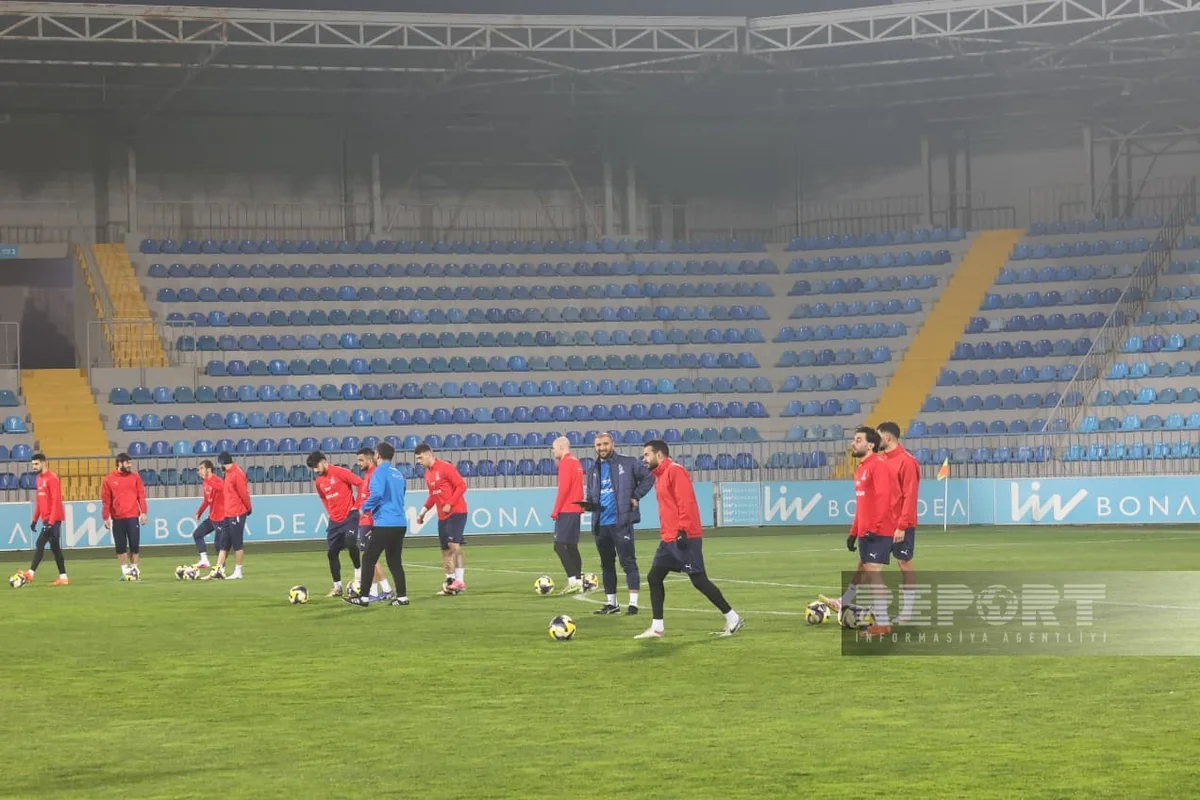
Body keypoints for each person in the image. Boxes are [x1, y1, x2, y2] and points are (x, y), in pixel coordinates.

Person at [634, 440, 744, 639]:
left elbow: (686, 501)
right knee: (654, 577)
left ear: (659, 455)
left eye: (647, 455)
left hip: (683, 535)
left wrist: (683, 530)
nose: (644, 459)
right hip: (668, 538)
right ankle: (657, 627)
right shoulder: (660, 476)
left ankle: (732, 617)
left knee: (699, 580)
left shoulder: (675, 471)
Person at [822, 426, 899, 636]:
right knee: (861, 570)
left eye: (858, 440)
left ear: (871, 445)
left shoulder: (878, 466)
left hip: (879, 531)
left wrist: (874, 528)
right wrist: (854, 532)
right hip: (866, 531)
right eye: (853, 440)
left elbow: (884, 499)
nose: (853, 443)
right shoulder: (861, 469)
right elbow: (862, 505)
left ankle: (883, 624)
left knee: (873, 573)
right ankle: (844, 601)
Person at [582, 432, 654, 616]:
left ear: (612, 444)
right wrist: (588, 505)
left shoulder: (628, 463)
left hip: (621, 522)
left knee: (628, 562)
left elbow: (649, 477)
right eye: (598, 445)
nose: (602, 448)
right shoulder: (592, 470)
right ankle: (611, 604)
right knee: (606, 565)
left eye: (605, 444)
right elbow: (591, 496)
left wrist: (636, 496)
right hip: (601, 525)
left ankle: (633, 604)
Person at [345, 441, 409, 607]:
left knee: (368, 558)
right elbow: (402, 493)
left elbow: (377, 494)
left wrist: (364, 508)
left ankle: (364, 597)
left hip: (385, 522)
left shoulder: (379, 472)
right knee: (394, 561)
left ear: (377, 455)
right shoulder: (397, 473)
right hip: (400, 522)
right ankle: (402, 597)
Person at [308, 450, 367, 598]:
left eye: (316, 467)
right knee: (331, 553)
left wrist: (358, 505)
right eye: (313, 468)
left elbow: (360, 483)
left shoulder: (340, 472)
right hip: (334, 521)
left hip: (349, 516)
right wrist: (330, 511)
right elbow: (323, 498)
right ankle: (337, 587)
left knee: (351, 542)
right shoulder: (319, 482)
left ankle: (358, 577)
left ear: (323, 462)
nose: (315, 470)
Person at [878, 421, 920, 624]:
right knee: (869, 563)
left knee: (904, 563)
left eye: (878, 436)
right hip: (881, 524)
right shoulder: (880, 460)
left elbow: (910, 496)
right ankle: (848, 601)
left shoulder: (907, 462)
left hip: (900, 524)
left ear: (887, 438)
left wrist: (902, 526)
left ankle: (907, 612)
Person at [414, 444, 469, 596]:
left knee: (453, 545)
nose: (418, 461)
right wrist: (422, 513)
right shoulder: (428, 474)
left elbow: (462, 486)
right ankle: (450, 582)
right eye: (417, 459)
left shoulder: (446, 467)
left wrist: (450, 503)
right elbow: (433, 495)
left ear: (428, 455)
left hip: (457, 511)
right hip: (442, 515)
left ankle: (460, 581)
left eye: (420, 458)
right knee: (445, 550)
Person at [19, 453, 68, 586]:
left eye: (36, 464)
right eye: (33, 464)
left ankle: (30, 574)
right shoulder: (39, 479)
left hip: (54, 519)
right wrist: (35, 519)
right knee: (55, 548)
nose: (34, 467)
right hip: (47, 519)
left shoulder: (52, 478)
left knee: (40, 544)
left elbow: (56, 501)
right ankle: (63, 577)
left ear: (43, 463)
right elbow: (40, 502)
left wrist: (51, 522)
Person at [101, 452, 148, 580]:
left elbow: (141, 496)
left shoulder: (135, 477)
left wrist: (143, 512)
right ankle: (125, 572)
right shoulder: (109, 479)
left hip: (133, 516)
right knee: (120, 546)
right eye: (128, 463)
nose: (130, 465)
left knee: (134, 545)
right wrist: (105, 517)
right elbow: (106, 500)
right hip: (117, 518)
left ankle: (135, 570)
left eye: (130, 463)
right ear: (120, 463)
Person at [549, 436, 586, 595]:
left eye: (554, 448)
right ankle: (578, 581)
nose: (553, 452)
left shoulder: (565, 463)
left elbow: (564, 489)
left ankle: (573, 580)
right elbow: (579, 487)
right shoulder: (576, 462)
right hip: (576, 509)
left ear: (561, 447)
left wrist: (555, 510)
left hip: (567, 509)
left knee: (559, 546)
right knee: (571, 546)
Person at [354, 446, 390, 599]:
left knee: (369, 558)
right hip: (365, 521)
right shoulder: (368, 475)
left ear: (370, 459)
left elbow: (377, 498)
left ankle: (375, 592)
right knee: (372, 559)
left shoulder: (374, 474)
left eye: (361, 460)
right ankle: (386, 590)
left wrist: (374, 523)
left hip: (370, 521)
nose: (358, 463)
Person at [216, 452, 251, 580]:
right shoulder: (227, 473)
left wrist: (248, 507)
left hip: (237, 513)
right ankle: (218, 569)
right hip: (228, 513)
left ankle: (238, 571)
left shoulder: (237, 473)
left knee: (237, 544)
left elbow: (244, 493)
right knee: (223, 543)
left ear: (222, 462)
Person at [196, 460, 230, 581]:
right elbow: (206, 500)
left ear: (208, 469)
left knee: (218, 545)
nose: (199, 471)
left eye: (201, 468)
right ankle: (204, 560)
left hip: (221, 518)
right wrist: (199, 512)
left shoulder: (217, 480)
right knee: (197, 534)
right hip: (212, 517)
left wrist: (208, 480)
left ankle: (221, 570)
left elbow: (221, 488)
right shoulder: (205, 482)